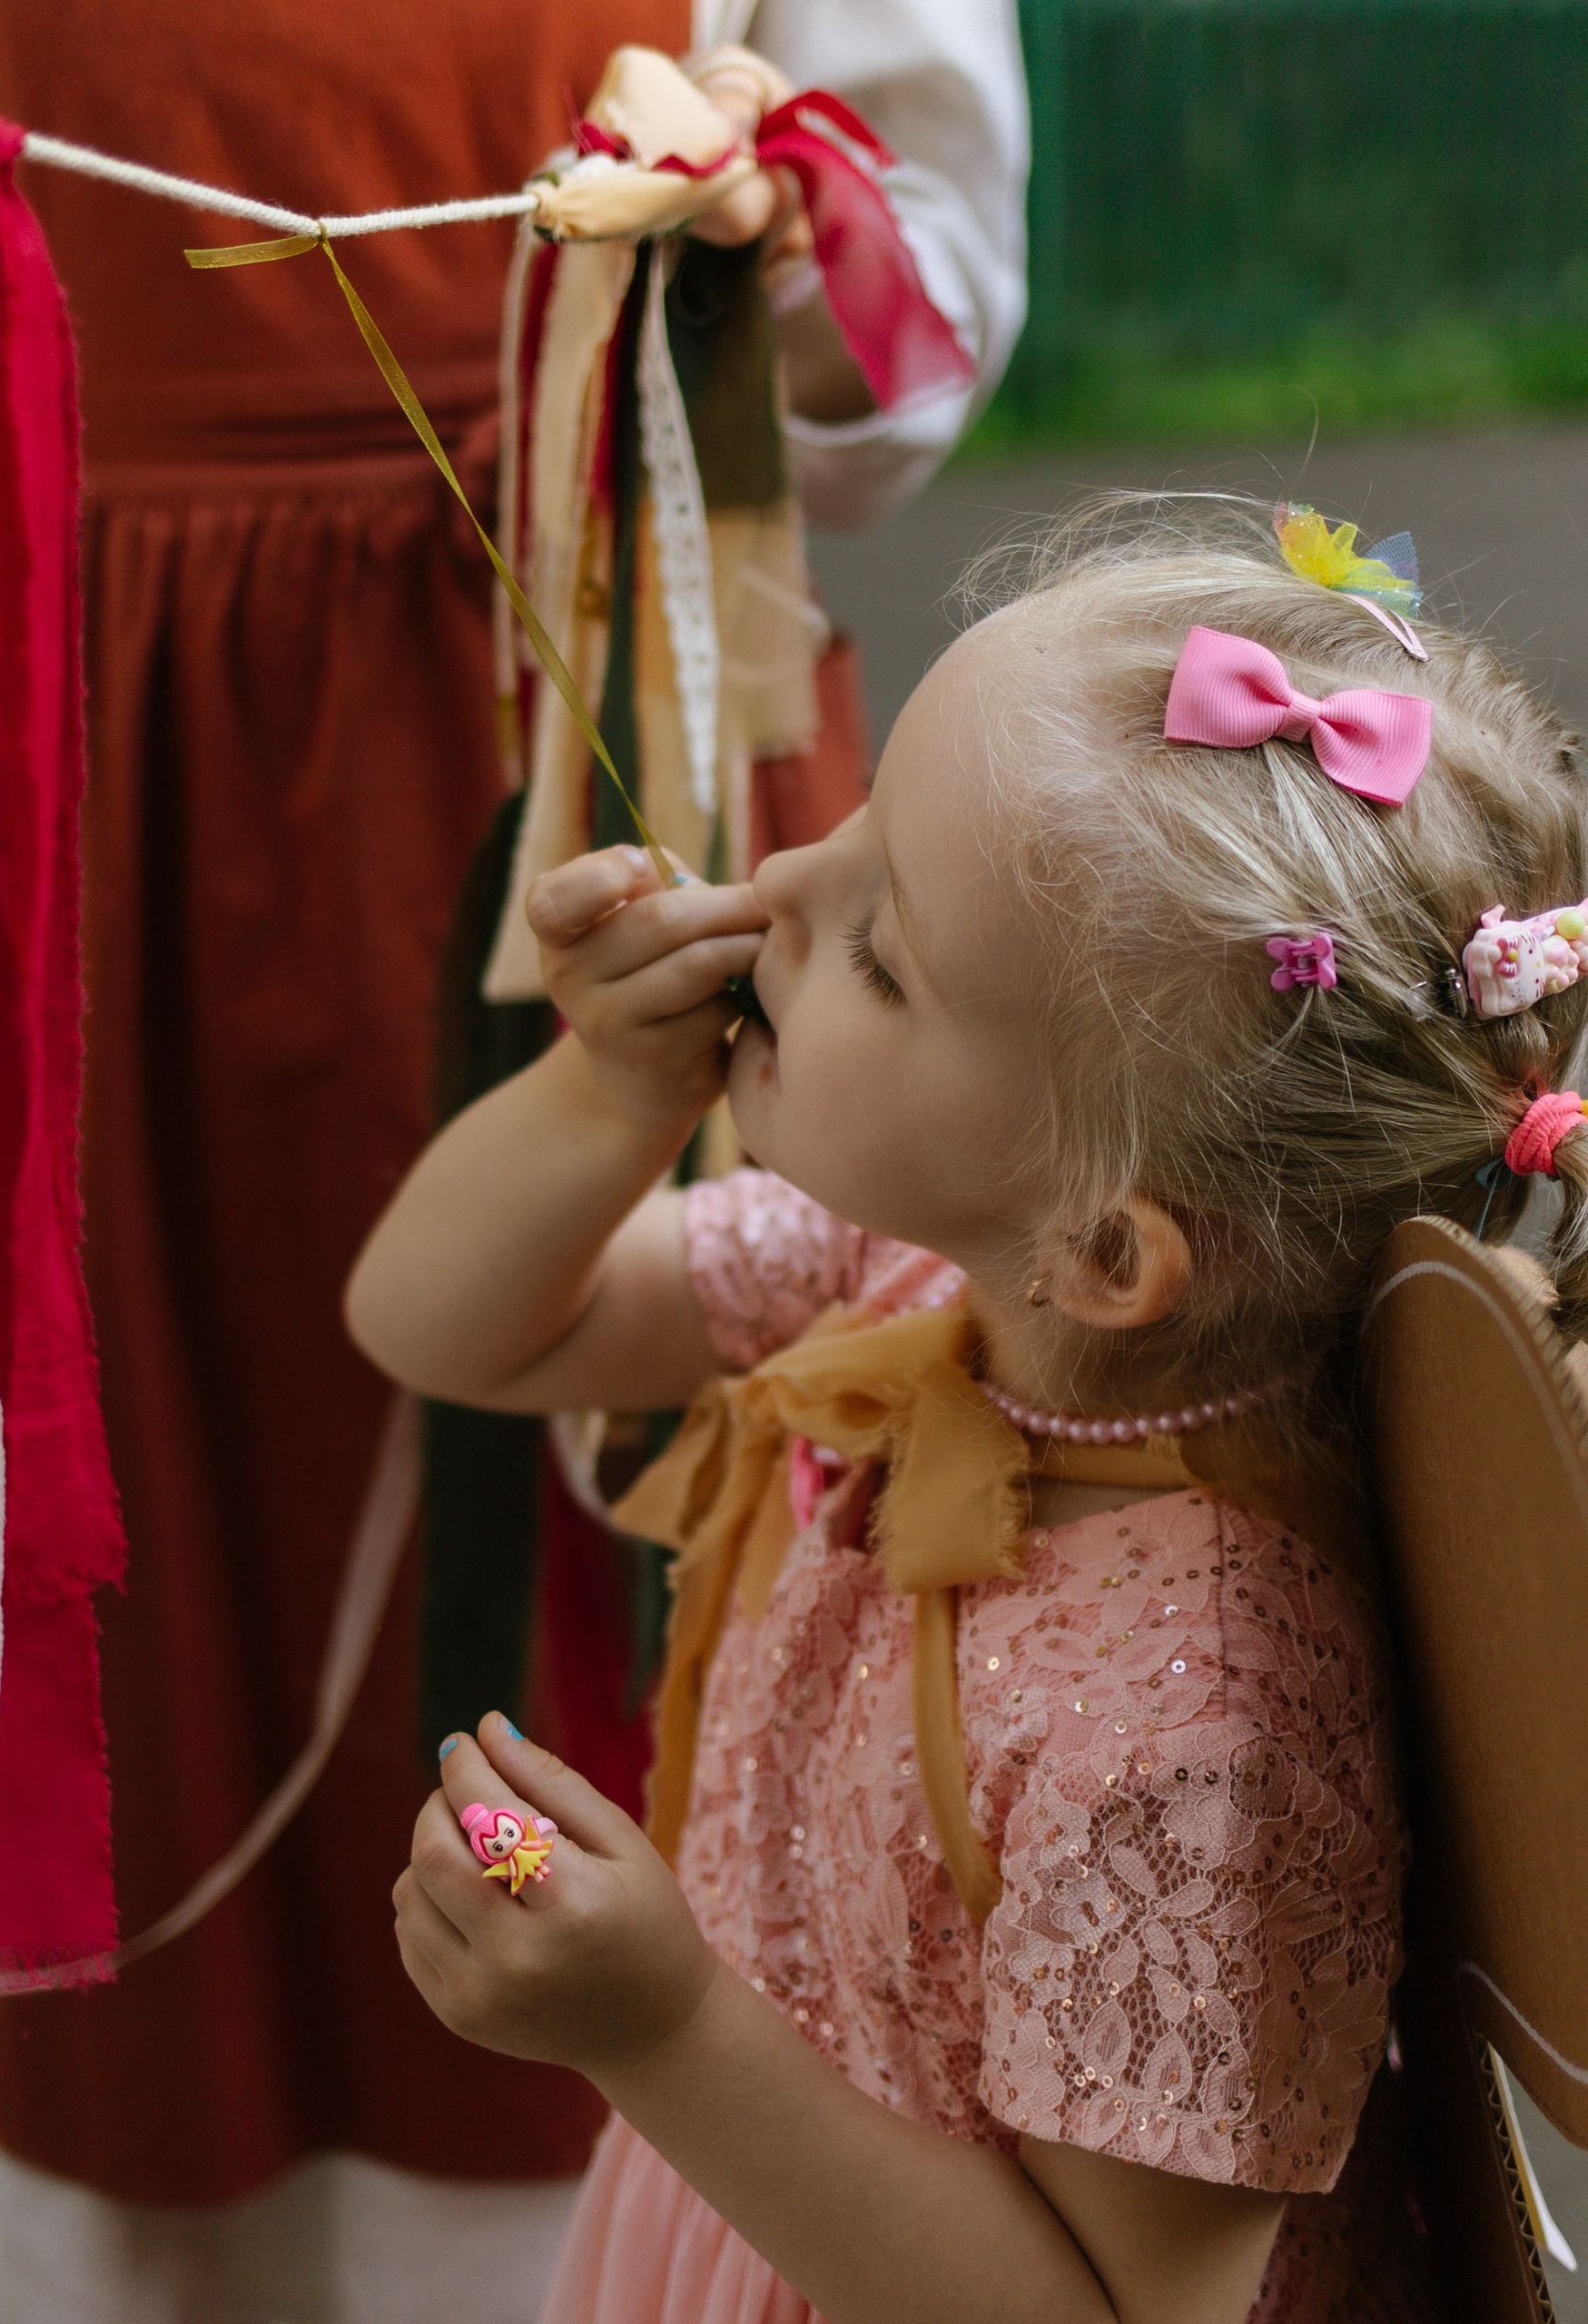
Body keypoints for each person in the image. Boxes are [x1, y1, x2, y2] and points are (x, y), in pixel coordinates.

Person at [0, 7, 1026, 2314]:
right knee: (138, 1485)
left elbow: (910, 308)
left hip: (605, 670)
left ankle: (671, 2240)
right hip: (88, 705)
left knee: (674, 1491)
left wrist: (769, 228)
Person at [344, 495, 1551, 2321]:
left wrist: (664, 2030)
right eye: (849, 832)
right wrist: (606, 1090)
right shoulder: (922, 1275)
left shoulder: (1198, 1730)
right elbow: (449, 1322)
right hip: (743, 2212)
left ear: (1110, 1246)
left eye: (882, 946)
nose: (777, 890)